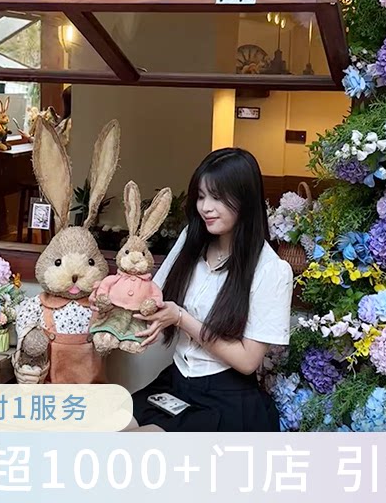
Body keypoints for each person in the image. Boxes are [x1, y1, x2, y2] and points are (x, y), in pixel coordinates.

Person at [124, 148, 294, 432]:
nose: (205, 207)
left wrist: (181, 318)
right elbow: (153, 295)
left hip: (226, 398)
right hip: (177, 381)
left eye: (217, 197)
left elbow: (248, 361)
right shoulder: (191, 239)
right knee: (108, 428)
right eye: (201, 196)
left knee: (141, 443)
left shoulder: (271, 270)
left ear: (245, 200)